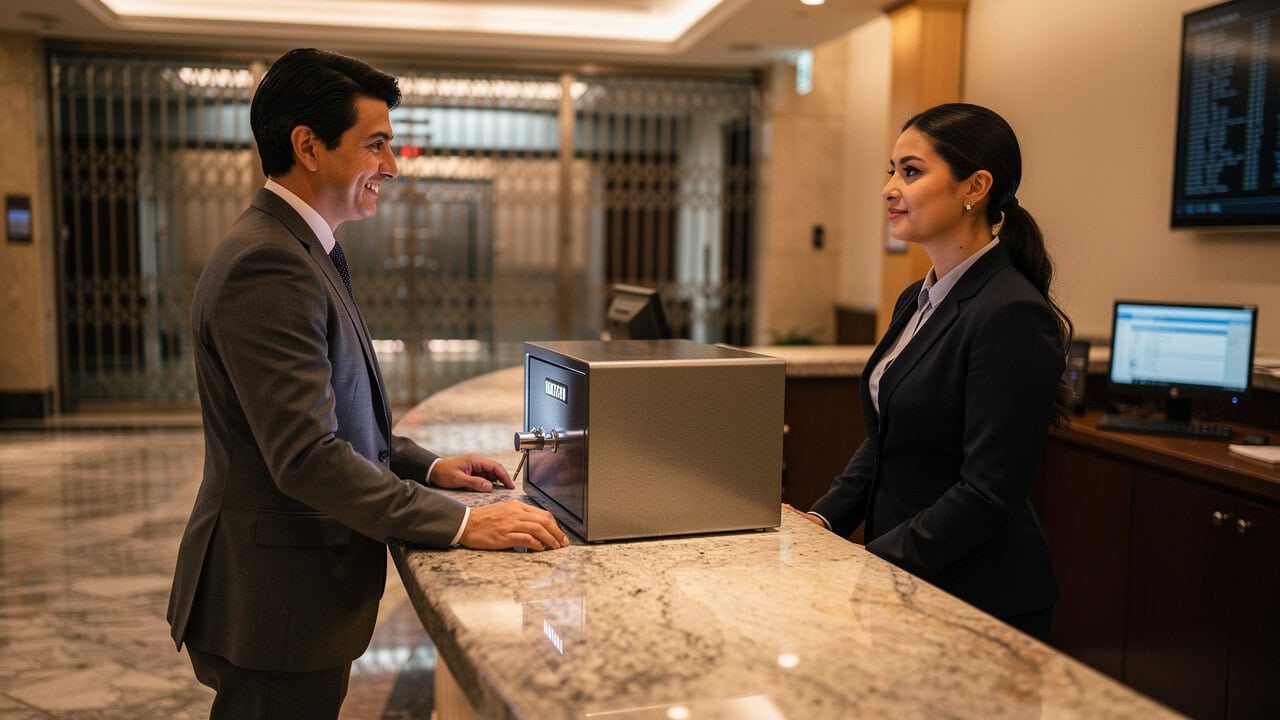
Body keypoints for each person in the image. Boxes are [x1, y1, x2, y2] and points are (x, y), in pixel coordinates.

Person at [166, 48, 568, 719]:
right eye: (376, 144)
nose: (392, 165)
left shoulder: (301, 246)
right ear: (308, 146)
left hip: (288, 600)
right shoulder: (269, 264)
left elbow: (331, 418)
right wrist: (462, 526)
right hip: (278, 605)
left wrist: (428, 465)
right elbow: (304, 457)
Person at [788, 102, 1072, 641]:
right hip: (906, 582)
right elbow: (888, 437)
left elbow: (988, 492)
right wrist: (824, 521)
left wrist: (871, 559)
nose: (890, 188)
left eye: (910, 172)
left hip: (979, 598)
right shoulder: (915, 300)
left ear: (975, 187)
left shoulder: (1011, 312)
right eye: (891, 171)